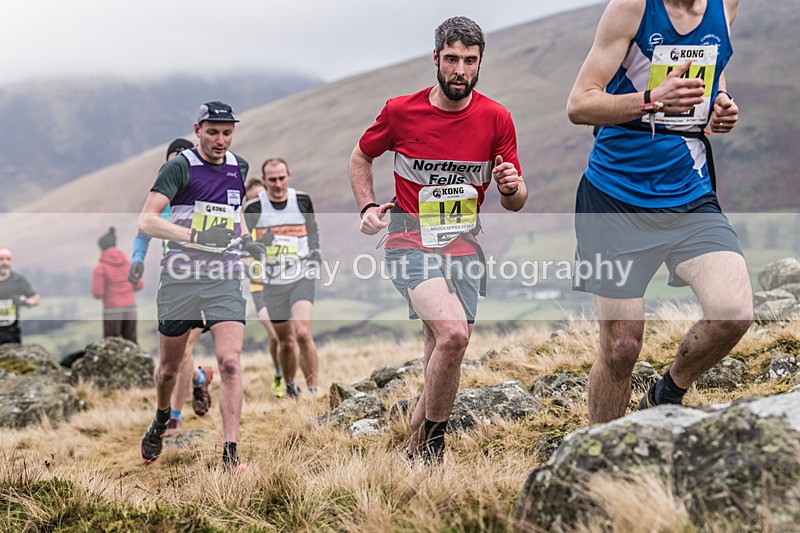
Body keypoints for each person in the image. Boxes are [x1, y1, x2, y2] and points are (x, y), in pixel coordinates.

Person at [349, 16, 527, 463]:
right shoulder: (400, 111)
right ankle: (433, 446)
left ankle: (412, 452)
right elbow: (361, 155)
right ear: (436, 59)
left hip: (464, 247)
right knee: (453, 336)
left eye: (470, 60)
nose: (460, 70)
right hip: (409, 242)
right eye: (451, 59)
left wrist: (510, 187)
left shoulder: (496, 118)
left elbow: (516, 201)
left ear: (480, 62)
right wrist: (368, 206)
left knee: (440, 351)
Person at [566, 0, 752, 424]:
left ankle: (667, 393)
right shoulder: (631, 8)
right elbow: (579, 104)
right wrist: (651, 100)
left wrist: (720, 100)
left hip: (689, 193)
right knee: (621, 348)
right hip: (614, 198)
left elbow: (713, 62)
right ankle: (599, 458)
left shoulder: (726, 6)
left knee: (733, 312)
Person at [136, 101, 265, 468]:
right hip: (180, 279)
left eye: (226, 132)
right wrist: (192, 235)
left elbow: (232, 212)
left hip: (224, 278)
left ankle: (230, 453)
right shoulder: (178, 167)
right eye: (212, 132)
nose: (220, 140)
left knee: (229, 363)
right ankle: (162, 416)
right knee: (168, 369)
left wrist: (246, 238)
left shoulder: (238, 167)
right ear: (197, 130)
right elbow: (146, 222)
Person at [129, 138, 215, 437]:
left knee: (186, 349)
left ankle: (174, 418)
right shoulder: (161, 201)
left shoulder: (204, 194)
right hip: (173, 283)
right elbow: (142, 231)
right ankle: (200, 378)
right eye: (172, 161)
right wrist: (137, 261)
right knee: (173, 359)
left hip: (206, 279)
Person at [244, 158, 320, 398]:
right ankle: (289, 386)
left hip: (301, 274)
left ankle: (313, 389)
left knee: (303, 333)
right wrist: (257, 245)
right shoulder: (254, 208)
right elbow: (244, 243)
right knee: (285, 342)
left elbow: (312, 229)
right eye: (272, 180)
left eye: (281, 178)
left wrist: (315, 252)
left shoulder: (302, 200)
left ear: (289, 175)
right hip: (272, 281)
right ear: (264, 181)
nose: (277, 184)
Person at [242, 177, 283, 397]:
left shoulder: (276, 219)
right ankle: (279, 374)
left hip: (283, 283)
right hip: (259, 288)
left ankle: (290, 378)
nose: (256, 202)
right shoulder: (244, 225)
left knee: (288, 335)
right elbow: (238, 255)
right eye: (252, 199)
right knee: (276, 335)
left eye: (260, 196)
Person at [91, 226, 143, 343]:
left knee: (111, 344)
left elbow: (97, 293)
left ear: (102, 248)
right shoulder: (128, 264)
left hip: (112, 310)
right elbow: (139, 285)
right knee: (131, 342)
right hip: (130, 307)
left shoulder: (101, 268)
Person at [0, 248, 40, 346]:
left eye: (8, 259)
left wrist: (24, 302)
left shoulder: (18, 280)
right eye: (1, 259)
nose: (5, 263)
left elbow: (36, 299)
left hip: (11, 330)